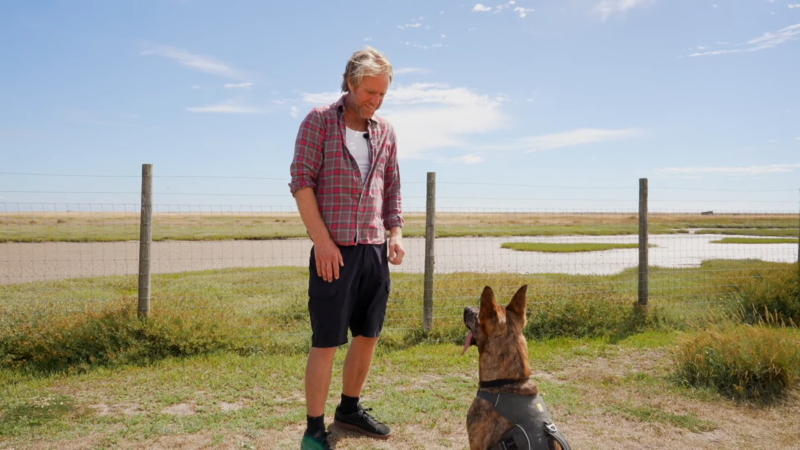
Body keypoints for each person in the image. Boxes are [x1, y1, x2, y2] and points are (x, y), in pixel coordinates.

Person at [289, 46, 405, 450]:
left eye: (382, 95)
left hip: (374, 249)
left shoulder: (387, 131)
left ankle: (350, 410)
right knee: (326, 340)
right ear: (352, 83)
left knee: (368, 334)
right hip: (333, 249)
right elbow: (301, 182)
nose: (375, 101)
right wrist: (322, 242)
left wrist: (396, 233)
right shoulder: (319, 121)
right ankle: (314, 427)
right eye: (370, 92)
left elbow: (391, 187)